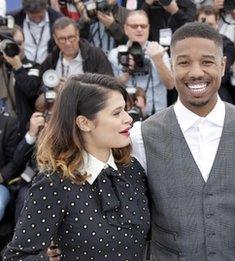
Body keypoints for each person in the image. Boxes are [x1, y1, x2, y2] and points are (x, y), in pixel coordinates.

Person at [130, 22, 235, 259]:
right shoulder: (142, 136)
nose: (196, 72)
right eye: (184, 62)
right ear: (171, 66)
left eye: (207, 62)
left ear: (223, 65)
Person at [3, 73, 150, 260]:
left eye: (125, 110)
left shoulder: (132, 169)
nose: (128, 119)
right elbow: (17, 256)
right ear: (84, 123)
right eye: (116, 113)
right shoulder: (53, 184)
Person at [108, 10, 174, 115]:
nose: (139, 29)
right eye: (134, 26)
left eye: (143, 26)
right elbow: (108, 90)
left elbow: (170, 85)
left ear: (148, 28)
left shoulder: (158, 50)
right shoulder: (116, 54)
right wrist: (126, 74)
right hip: (127, 115)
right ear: (125, 29)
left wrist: (158, 60)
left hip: (157, 114)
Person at [41, 17, 114, 80]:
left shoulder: (95, 55)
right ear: (55, 39)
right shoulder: (51, 60)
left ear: (78, 34)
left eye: (71, 37)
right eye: (62, 39)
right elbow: (40, 89)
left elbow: (109, 86)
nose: (68, 43)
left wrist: (73, 88)